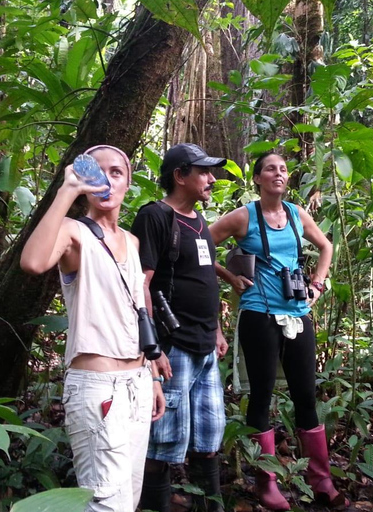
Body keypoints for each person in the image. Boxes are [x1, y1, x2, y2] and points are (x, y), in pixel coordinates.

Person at [20, 145, 165, 512]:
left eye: (116, 172)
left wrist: (152, 375)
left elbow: (135, 315)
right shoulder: (73, 232)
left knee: (128, 500)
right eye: (96, 173)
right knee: (106, 503)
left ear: (128, 182)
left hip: (137, 383)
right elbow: (33, 262)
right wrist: (67, 190)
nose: (107, 180)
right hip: (98, 387)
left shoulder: (132, 242)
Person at [209, 152, 346, 510]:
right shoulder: (243, 216)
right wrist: (230, 277)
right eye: (270, 168)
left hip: (299, 314)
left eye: (283, 169)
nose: (278, 174)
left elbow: (326, 246)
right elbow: (202, 245)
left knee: (305, 395)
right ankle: (266, 483)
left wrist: (317, 283)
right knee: (261, 395)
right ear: (257, 178)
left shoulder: (297, 215)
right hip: (259, 313)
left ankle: (322, 482)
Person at [131, 143, 228, 512]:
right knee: (163, 440)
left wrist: (217, 330)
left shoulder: (201, 222)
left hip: (205, 346)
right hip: (173, 345)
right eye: (203, 172)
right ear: (179, 176)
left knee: (209, 436)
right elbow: (141, 283)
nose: (211, 179)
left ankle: (210, 506)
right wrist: (151, 348)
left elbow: (204, 279)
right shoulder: (155, 217)